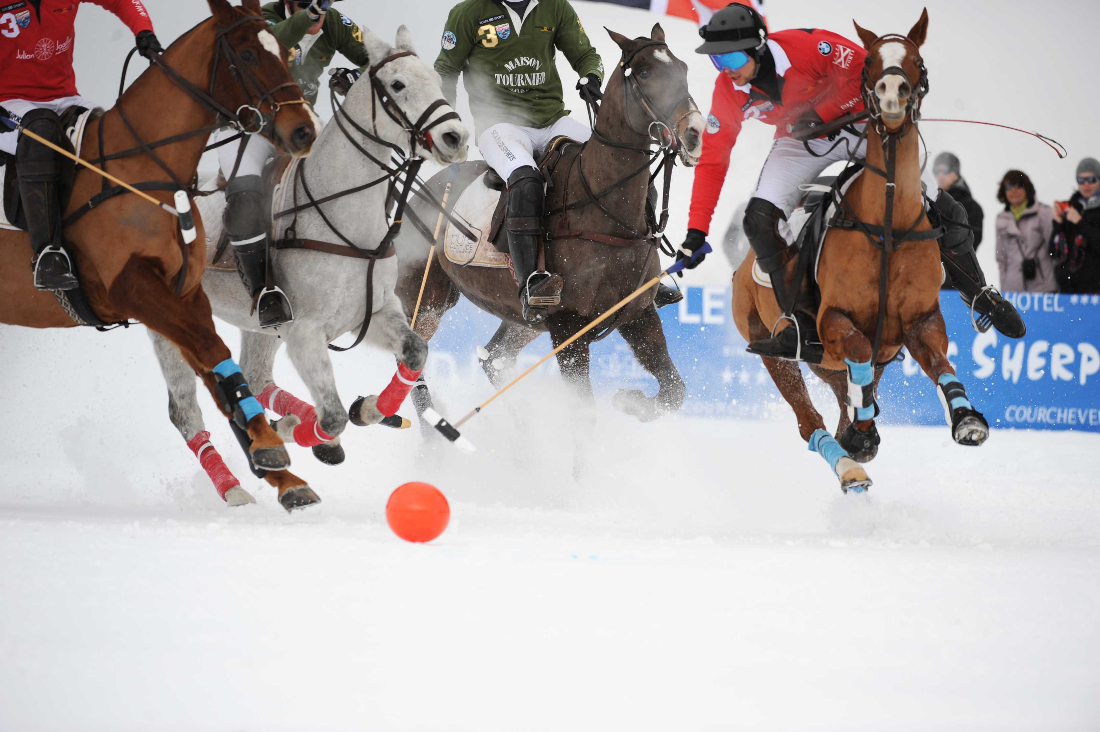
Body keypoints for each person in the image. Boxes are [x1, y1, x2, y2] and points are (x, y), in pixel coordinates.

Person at [677, 3, 1024, 362]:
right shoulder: (727, 91)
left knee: (942, 204)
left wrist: (821, 113)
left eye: (731, 60)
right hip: (798, 144)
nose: (726, 71)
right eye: (718, 62)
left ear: (758, 46)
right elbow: (713, 161)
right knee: (757, 220)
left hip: (860, 126)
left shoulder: (811, 47)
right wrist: (696, 232)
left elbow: (871, 74)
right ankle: (803, 327)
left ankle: (980, 293)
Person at [435, 0, 605, 323]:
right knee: (526, 180)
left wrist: (591, 77)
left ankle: (638, 261)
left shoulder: (554, 6)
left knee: (611, 160)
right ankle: (531, 284)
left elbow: (586, 56)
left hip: (553, 120)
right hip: (499, 124)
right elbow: (446, 70)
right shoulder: (468, 12)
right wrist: (444, 118)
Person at [205, 0, 368, 328]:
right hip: (248, 126)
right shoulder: (262, 18)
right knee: (245, 195)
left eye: (324, 6)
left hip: (298, 123)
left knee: (354, 167)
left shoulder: (335, 22)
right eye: (310, 7)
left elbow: (377, 60)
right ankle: (263, 291)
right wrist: (307, 16)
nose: (319, 15)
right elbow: (276, 37)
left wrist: (357, 75)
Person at [0, 0, 161, 291]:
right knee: (41, 133)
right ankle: (47, 255)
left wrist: (143, 31)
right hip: (8, 103)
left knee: (108, 131)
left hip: (64, 98)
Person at [994, 170, 1055, 293]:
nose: (1013, 191)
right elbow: (1001, 258)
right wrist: (1005, 287)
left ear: (1027, 188)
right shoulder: (1001, 219)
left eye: (1018, 185)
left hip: (1043, 290)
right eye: (1008, 187)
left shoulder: (1044, 213)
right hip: (1013, 291)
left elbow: (1054, 252)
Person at [933, 151, 983, 290]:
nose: (940, 176)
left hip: (958, 280)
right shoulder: (931, 204)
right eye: (936, 171)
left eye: (944, 170)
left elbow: (970, 244)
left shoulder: (971, 206)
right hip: (931, 275)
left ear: (956, 172)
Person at [1050, 157, 1100, 294]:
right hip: (1068, 289)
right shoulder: (1072, 207)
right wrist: (1059, 223)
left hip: (1094, 291)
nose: (1086, 185)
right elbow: (1054, 251)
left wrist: (1080, 222)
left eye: (1091, 179)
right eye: (1081, 180)